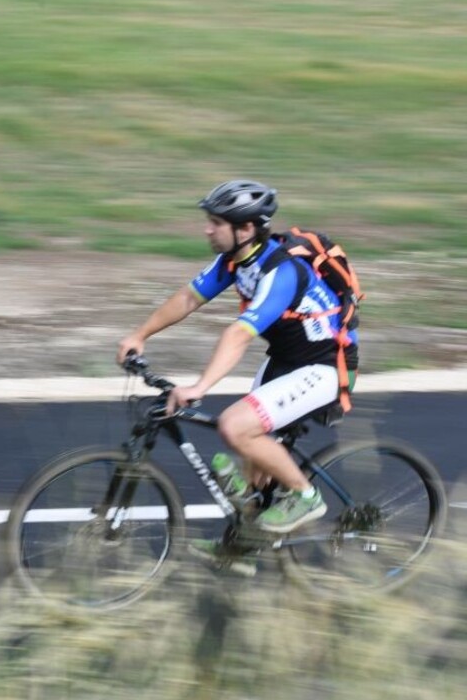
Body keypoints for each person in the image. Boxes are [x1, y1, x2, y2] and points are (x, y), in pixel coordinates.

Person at [116, 180, 359, 570]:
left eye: (216, 223)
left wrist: (199, 386)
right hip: (285, 360)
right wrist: (139, 335)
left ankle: (305, 496)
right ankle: (245, 551)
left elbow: (239, 334)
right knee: (251, 468)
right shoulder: (236, 260)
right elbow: (188, 298)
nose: (207, 230)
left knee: (235, 427)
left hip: (323, 366)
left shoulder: (282, 271)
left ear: (245, 229)